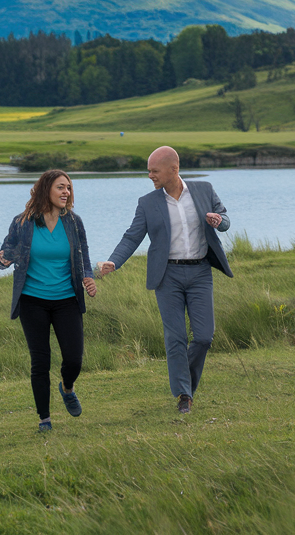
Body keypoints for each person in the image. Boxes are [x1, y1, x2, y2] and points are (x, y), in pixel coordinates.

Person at [99, 146, 232, 414]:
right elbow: (132, 236)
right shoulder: (147, 203)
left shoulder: (204, 189)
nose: (150, 175)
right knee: (176, 338)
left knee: (204, 337)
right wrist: (115, 261)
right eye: (149, 171)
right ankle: (184, 395)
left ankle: (187, 385)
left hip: (200, 273)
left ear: (174, 169)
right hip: (167, 276)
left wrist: (220, 221)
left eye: (154, 170)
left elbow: (226, 219)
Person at [0, 170, 98, 432]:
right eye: (61, 188)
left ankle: (67, 387)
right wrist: (2, 259)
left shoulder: (74, 222)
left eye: (68, 188)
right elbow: (4, 255)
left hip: (67, 299)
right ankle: (44, 419)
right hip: (32, 301)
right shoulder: (23, 223)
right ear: (46, 190)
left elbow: (83, 254)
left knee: (74, 359)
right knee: (40, 361)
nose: (66, 192)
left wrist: (88, 277)